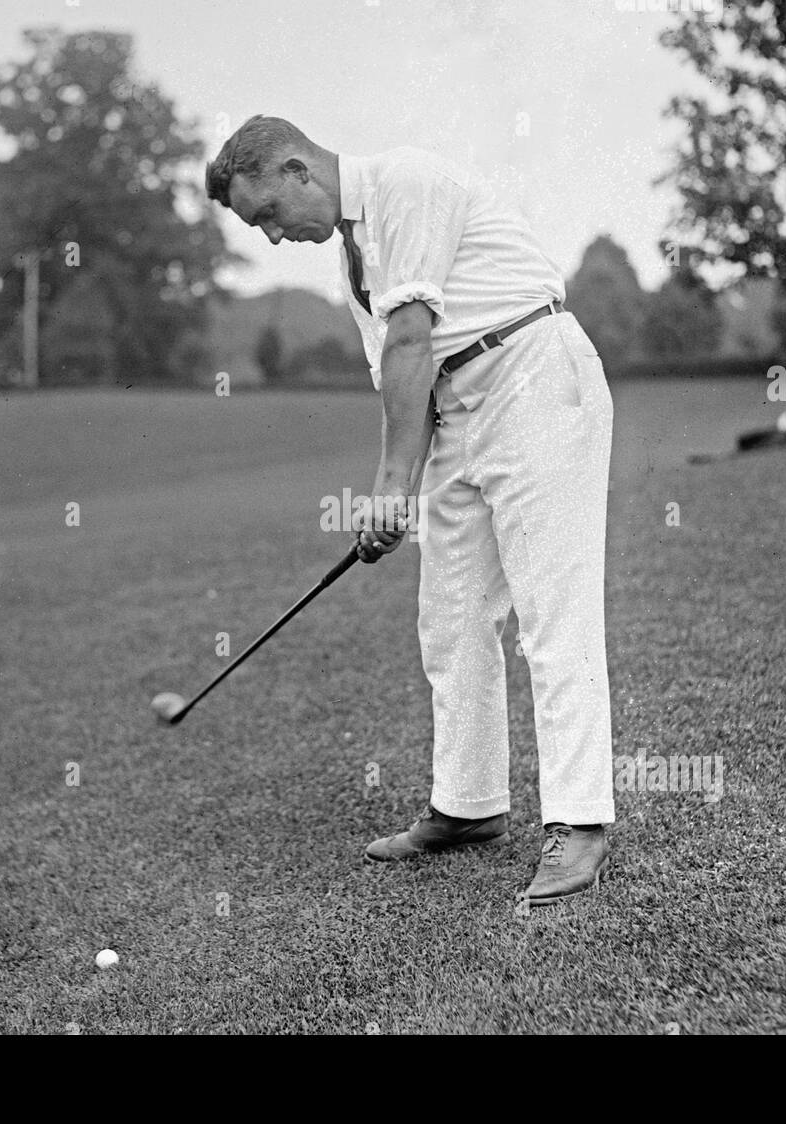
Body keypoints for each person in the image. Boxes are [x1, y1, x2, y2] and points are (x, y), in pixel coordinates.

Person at [205, 117, 615, 906]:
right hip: (460, 411)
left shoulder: (407, 182)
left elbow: (412, 342)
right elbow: (408, 383)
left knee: (552, 613)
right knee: (451, 614)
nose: (273, 235)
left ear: (297, 170)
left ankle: (580, 822)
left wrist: (390, 487)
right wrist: (396, 496)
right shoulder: (352, 258)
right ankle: (468, 806)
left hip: (530, 374)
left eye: (267, 215)